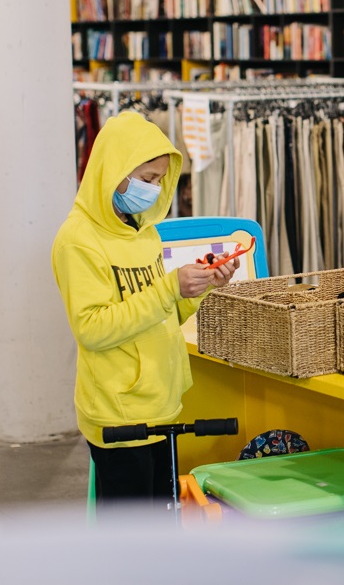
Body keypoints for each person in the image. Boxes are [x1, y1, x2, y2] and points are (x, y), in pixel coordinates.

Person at [52, 111, 237, 506]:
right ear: (114, 170)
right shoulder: (77, 241)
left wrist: (202, 286)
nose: (154, 190)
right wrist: (170, 287)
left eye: (158, 181)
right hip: (120, 416)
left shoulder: (144, 232)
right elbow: (92, 328)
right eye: (147, 179)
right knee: (130, 544)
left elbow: (162, 312)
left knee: (161, 529)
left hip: (162, 407)